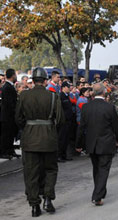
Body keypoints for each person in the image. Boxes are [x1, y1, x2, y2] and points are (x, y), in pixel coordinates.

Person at [15, 67, 64, 217]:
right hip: (49, 138)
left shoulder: (24, 96)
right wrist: (50, 129)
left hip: (30, 139)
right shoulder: (53, 96)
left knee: (31, 172)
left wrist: (29, 128)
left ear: (33, 81)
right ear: (45, 80)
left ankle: (34, 205)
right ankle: (48, 199)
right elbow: (61, 120)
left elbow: (18, 118)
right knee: (50, 170)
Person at [76, 83, 118, 206]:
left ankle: (100, 192)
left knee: (97, 169)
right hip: (106, 143)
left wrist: (78, 144)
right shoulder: (109, 107)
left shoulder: (86, 107)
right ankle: (97, 195)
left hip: (92, 143)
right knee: (103, 169)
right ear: (104, 92)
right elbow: (116, 126)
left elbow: (81, 127)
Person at [0, 68, 19, 159]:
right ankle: (4, 151)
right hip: (7, 116)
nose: (16, 76)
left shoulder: (9, 86)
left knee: (11, 134)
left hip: (10, 116)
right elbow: (9, 103)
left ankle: (10, 150)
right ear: (12, 75)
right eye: (15, 74)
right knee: (6, 135)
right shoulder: (7, 87)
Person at [58, 81, 74, 162]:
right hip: (64, 121)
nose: (69, 88)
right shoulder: (61, 96)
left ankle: (64, 155)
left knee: (66, 139)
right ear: (64, 88)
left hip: (68, 121)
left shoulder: (67, 96)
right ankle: (59, 155)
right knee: (62, 139)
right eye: (68, 87)